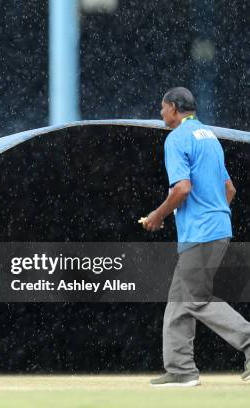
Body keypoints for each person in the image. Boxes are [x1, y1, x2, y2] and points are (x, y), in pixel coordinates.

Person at [142, 87, 250, 387]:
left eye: (163, 108)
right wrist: (213, 215)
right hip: (216, 228)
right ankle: (180, 370)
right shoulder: (210, 137)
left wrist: (157, 215)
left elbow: (182, 189)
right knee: (180, 299)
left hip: (201, 233)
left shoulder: (176, 138)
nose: (161, 113)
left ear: (174, 108)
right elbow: (229, 190)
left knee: (196, 299)